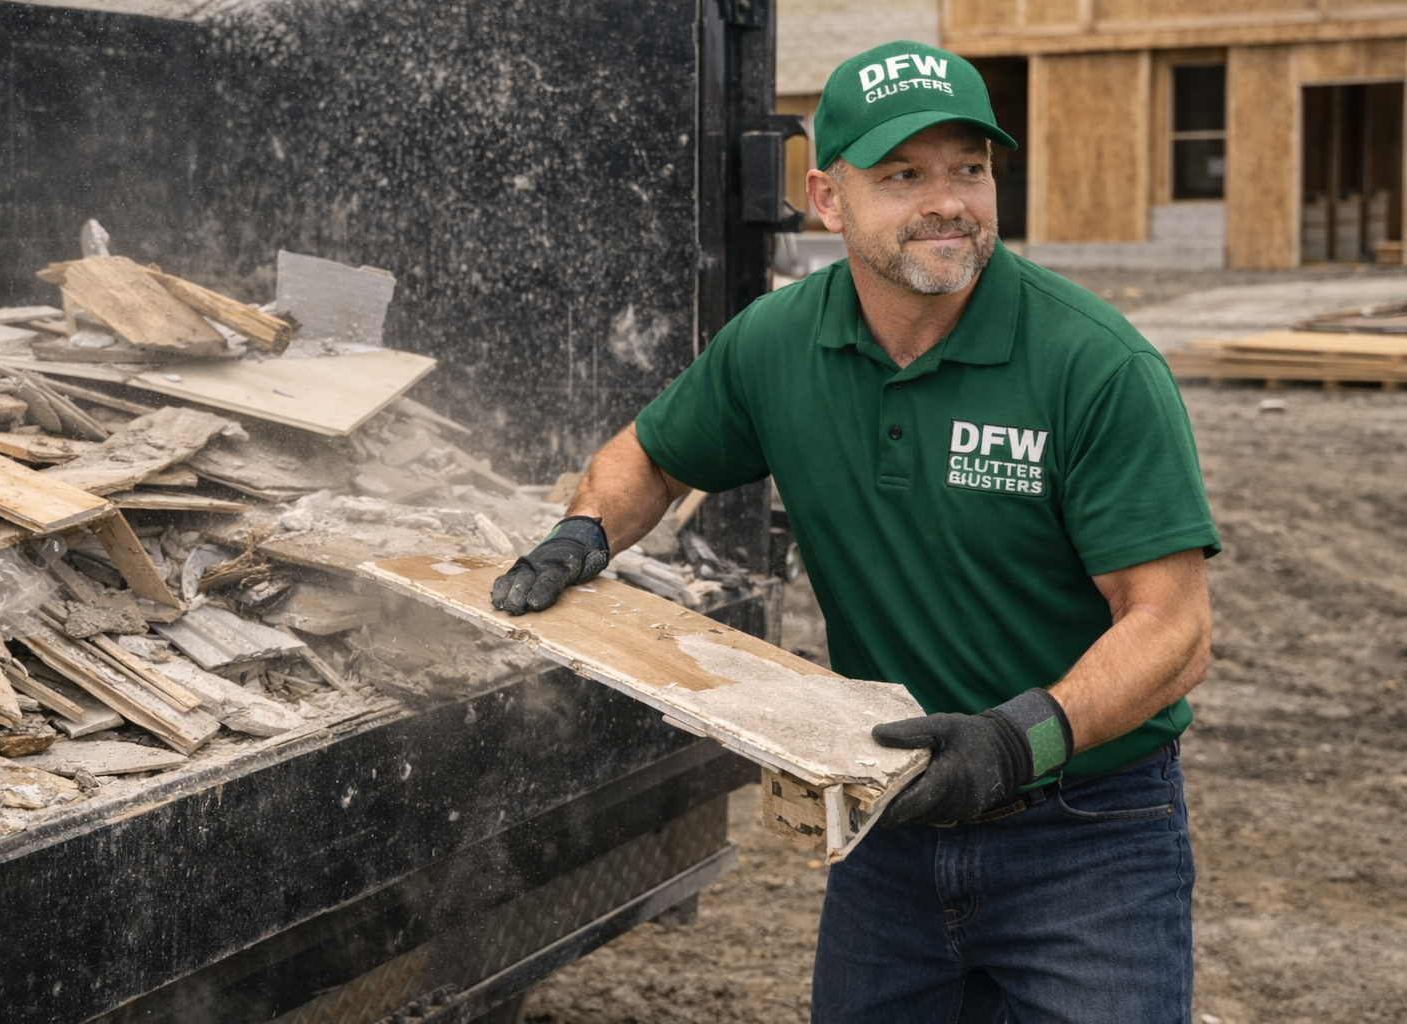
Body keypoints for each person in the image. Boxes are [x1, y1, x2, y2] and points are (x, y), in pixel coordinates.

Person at [492, 39, 1218, 1023]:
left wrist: (1016, 741)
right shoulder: (780, 342)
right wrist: (583, 531)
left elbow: (1172, 630)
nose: (947, 200)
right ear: (827, 200)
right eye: (901, 175)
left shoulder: (1093, 365)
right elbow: (651, 456)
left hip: (1084, 837)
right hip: (893, 829)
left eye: (969, 167)